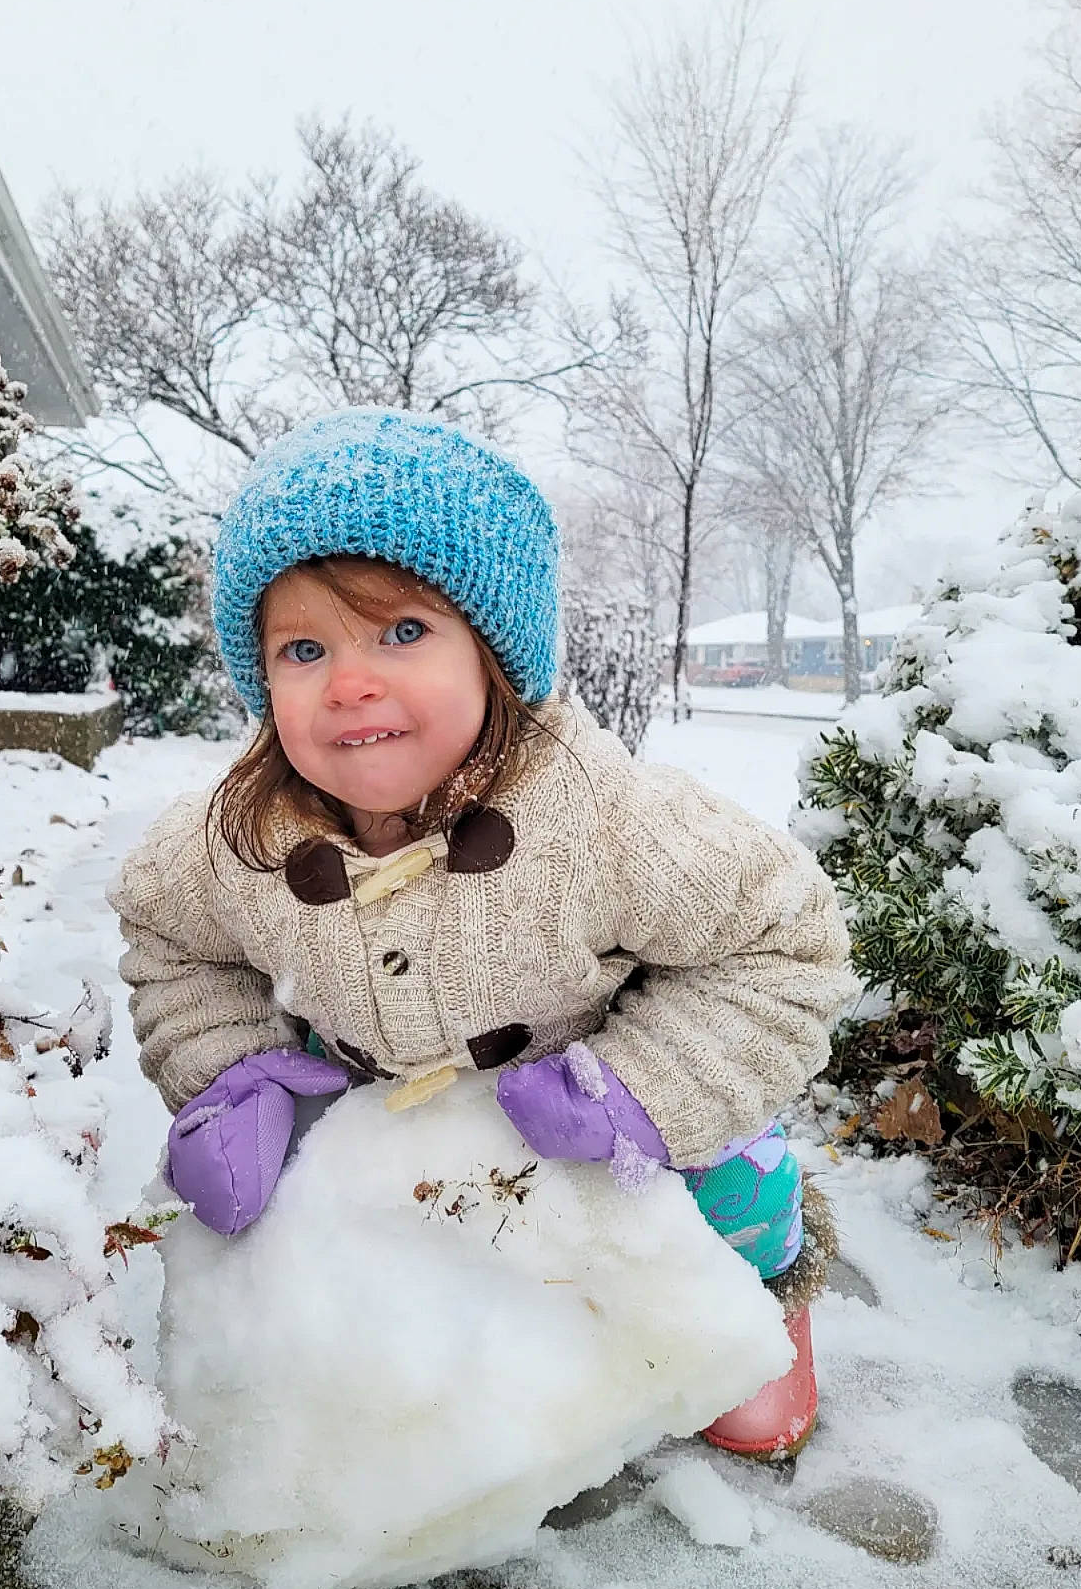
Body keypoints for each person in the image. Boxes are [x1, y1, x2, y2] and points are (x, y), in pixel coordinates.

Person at [109, 407, 851, 1461]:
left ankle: (761, 1299)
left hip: (595, 1090)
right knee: (317, 1256)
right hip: (379, 1106)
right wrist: (238, 1073)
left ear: (494, 655)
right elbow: (172, 942)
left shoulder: (602, 817)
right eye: (304, 648)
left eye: (403, 633)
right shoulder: (242, 836)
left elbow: (785, 940)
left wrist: (649, 1084)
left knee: (733, 1175)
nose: (350, 681)